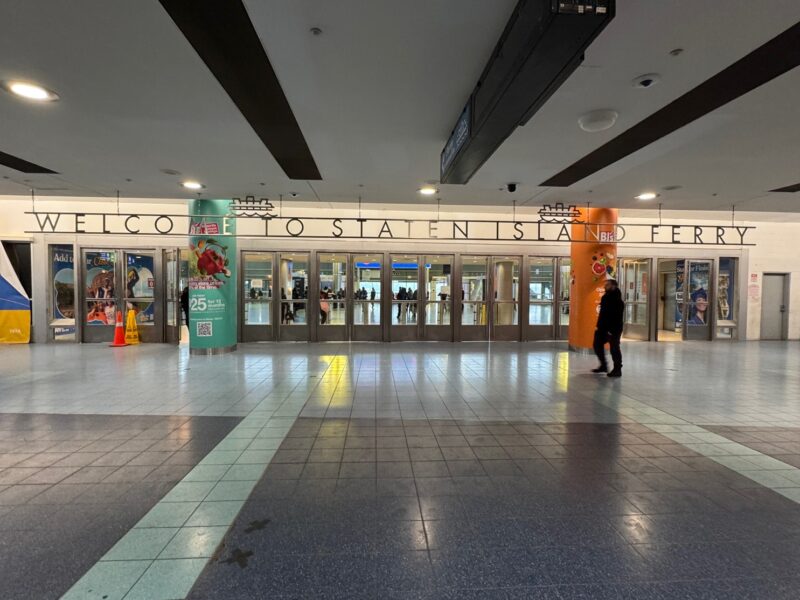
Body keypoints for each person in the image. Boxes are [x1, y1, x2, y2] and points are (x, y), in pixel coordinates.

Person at [592, 279, 625, 378]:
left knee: (614, 349)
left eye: (607, 285)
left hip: (613, 329)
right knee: (597, 344)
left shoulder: (618, 301)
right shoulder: (605, 297)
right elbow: (603, 314)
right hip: (602, 328)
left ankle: (617, 369)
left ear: (613, 286)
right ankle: (603, 365)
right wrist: (599, 326)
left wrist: (611, 330)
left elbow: (616, 317)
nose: (605, 286)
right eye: (605, 284)